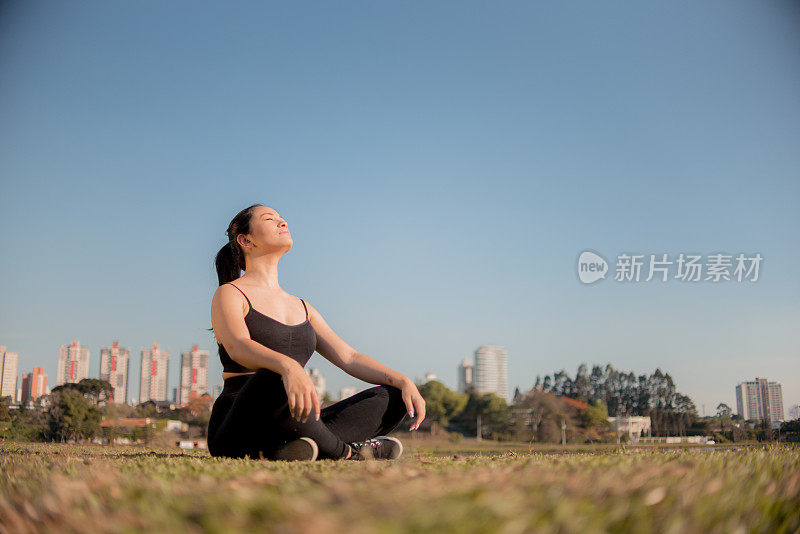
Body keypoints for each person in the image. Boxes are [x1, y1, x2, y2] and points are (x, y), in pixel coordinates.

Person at [207, 204, 426, 461]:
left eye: (282, 218)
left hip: (296, 419)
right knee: (274, 375)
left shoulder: (303, 307)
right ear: (246, 240)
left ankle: (293, 449)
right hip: (239, 424)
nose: (283, 222)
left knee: (393, 397)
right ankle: (347, 452)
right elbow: (238, 346)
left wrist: (402, 381)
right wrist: (289, 367)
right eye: (270, 219)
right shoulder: (230, 293)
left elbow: (349, 357)